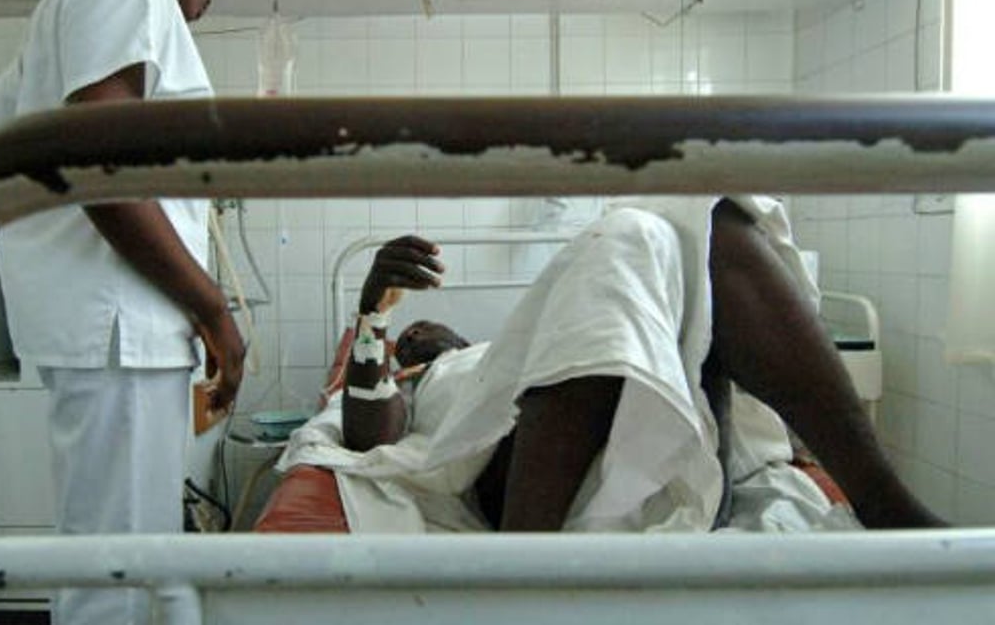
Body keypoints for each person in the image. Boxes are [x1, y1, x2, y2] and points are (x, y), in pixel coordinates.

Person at [0, 0, 243, 624]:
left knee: (125, 564)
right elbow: (99, 165)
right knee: (113, 578)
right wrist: (214, 309)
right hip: (118, 323)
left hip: (106, 322)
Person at [331, 196, 944, 533]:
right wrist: (373, 315)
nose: (422, 335)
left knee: (707, 227)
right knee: (627, 237)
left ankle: (883, 503)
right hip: (530, 493)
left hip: (674, 460)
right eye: (413, 339)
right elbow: (367, 437)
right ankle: (522, 575)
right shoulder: (430, 378)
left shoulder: (518, 351)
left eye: (423, 332)